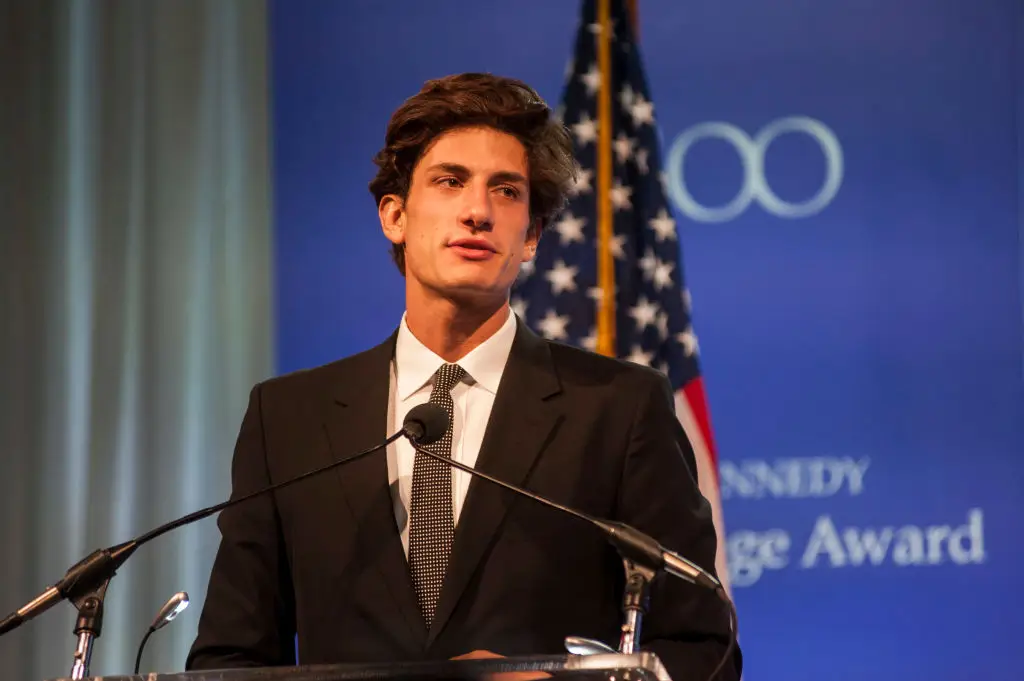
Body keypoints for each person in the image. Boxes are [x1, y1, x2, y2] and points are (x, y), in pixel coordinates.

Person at [186, 73, 741, 681]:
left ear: (530, 236)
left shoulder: (620, 407)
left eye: (506, 191)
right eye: (450, 182)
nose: (478, 211)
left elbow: (703, 650)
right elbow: (228, 660)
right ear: (394, 215)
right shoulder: (288, 418)